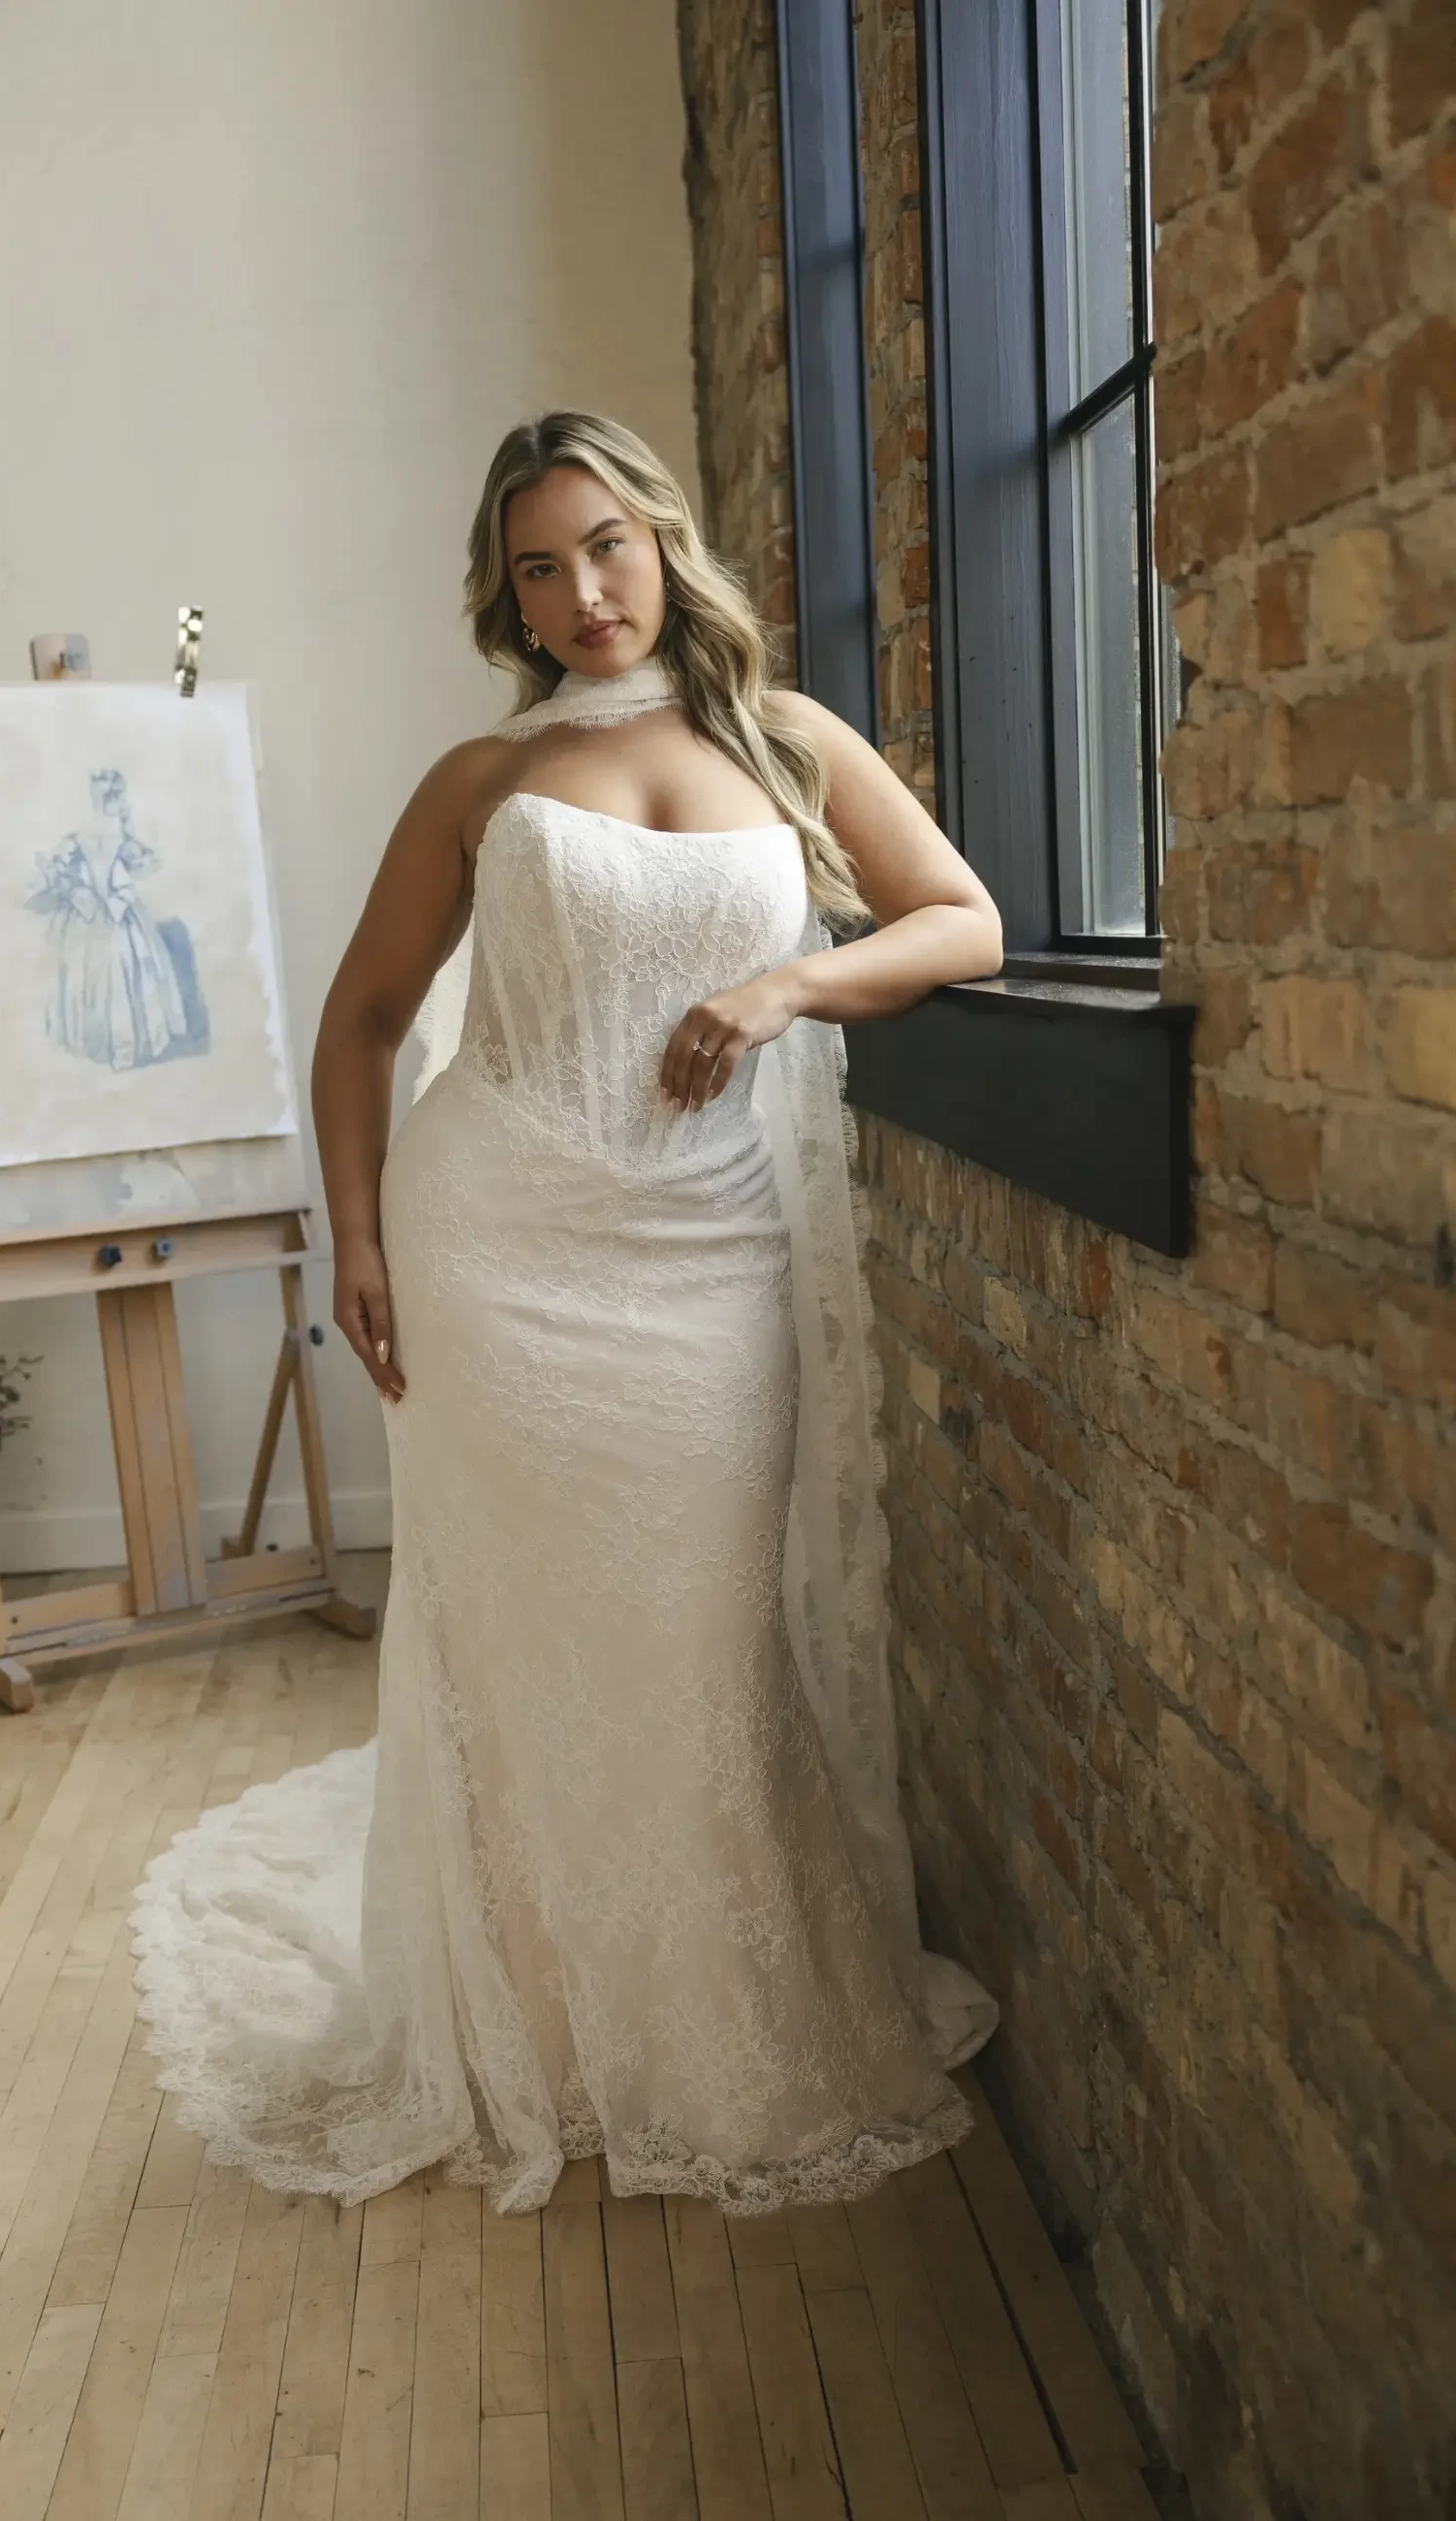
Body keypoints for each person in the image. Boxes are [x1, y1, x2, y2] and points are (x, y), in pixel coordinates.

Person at [130, 410, 1003, 2217]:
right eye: (541, 565)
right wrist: (357, 1238)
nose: (584, 591)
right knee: (523, 1657)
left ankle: (727, 2038)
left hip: (703, 1261)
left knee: (702, 1645)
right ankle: (541, 2028)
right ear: (507, 594)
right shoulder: (479, 780)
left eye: (606, 543)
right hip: (493, 1246)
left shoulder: (790, 740)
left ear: (663, 540)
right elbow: (363, 1021)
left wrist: (786, 986)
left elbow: (963, 925)